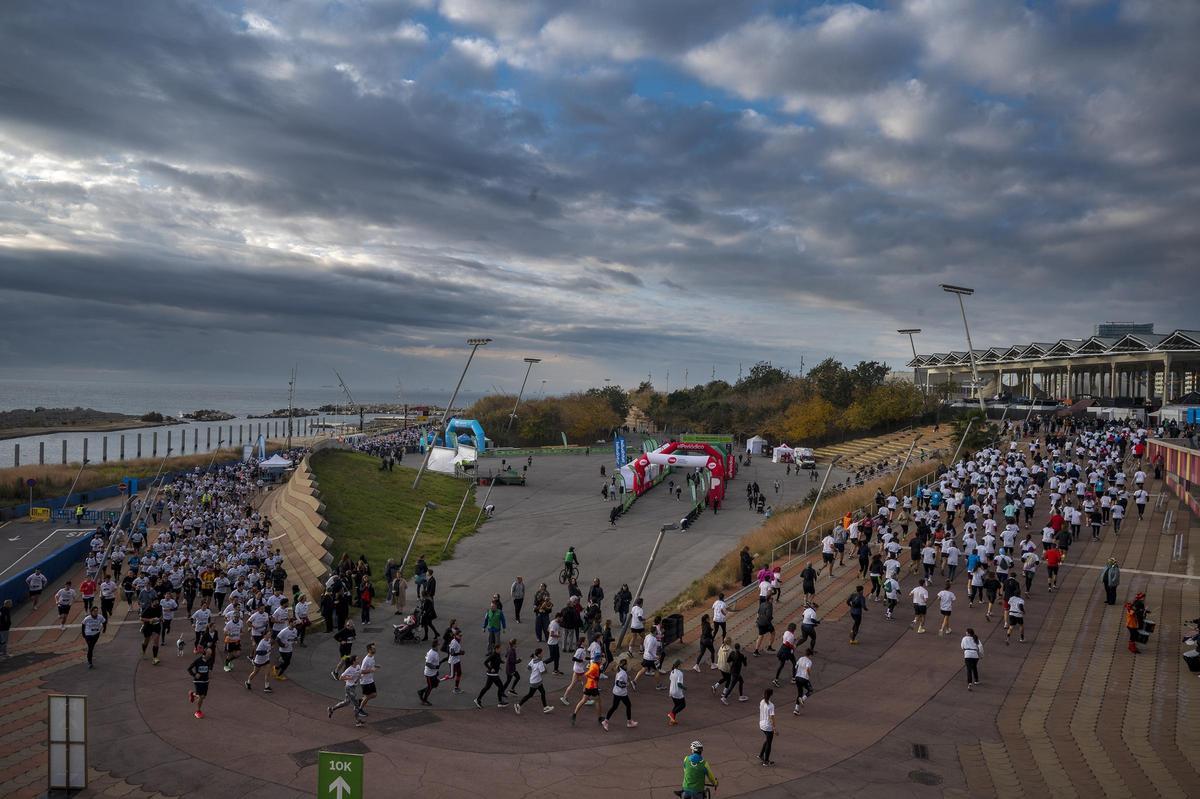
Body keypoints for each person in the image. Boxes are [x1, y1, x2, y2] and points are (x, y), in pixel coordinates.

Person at [328, 655, 366, 727]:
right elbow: (340, 678)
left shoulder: (358, 666)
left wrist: (359, 678)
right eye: (357, 659)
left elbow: (359, 673)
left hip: (353, 687)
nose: (358, 660)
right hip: (349, 688)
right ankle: (358, 721)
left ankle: (331, 709)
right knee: (356, 704)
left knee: (346, 702)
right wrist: (349, 678)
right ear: (353, 661)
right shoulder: (349, 669)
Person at [514, 648, 554, 714]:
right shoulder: (540, 662)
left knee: (542, 692)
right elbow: (543, 672)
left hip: (535, 680)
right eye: (542, 653)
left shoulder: (533, 660)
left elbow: (528, 667)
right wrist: (545, 667)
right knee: (530, 694)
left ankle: (545, 707)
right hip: (536, 681)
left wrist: (534, 670)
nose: (543, 654)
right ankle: (518, 705)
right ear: (539, 654)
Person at [571, 653, 603, 727]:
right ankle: (600, 718)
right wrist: (594, 678)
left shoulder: (594, 665)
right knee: (597, 701)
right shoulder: (595, 666)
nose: (602, 660)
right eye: (601, 659)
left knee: (583, 700)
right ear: (599, 659)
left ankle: (574, 714)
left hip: (588, 685)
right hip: (593, 686)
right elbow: (587, 674)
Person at [475, 643, 508, 708]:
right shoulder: (493, 655)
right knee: (500, 686)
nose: (501, 650)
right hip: (492, 674)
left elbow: (497, 661)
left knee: (487, 687)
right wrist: (491, 668)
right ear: (496, 649)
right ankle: (500, 702)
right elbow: (485, 662)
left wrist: (502, 662)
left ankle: (478, 699)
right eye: (500, 648)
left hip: (493, 674)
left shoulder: (498, 654)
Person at [759, 689, 777, 766]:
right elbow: (772, 718)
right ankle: (766, 761)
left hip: (761, 724)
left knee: (767, 739)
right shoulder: (771, 705)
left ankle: (761, 755)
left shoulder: (762, 702)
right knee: (769, 743)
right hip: (768, 726)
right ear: (771, 695)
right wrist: (774, 729)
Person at [793, 648, 814, 714]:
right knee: (810, 690)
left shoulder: (800, 658)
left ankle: (796, 709)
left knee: (800, 693)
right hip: (804, 678)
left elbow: (796, 666)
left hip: (797, 677)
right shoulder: (809, 661)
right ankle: (802, 699)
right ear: (810, 655)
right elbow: (807, 669)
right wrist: (809, 674)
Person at [667, 660, 686, 725]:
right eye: (681, 664)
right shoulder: (680, 673)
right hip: (677, 692)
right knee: (683, 705)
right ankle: (671, 714)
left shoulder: (672, 671)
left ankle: (672, 721)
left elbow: (671, 679)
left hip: (671, 691)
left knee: (677, 705)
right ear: (679, 665)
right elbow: (679, 684)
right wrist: (684, 688)